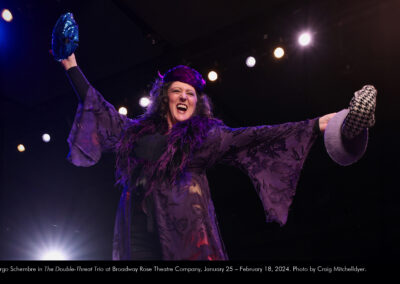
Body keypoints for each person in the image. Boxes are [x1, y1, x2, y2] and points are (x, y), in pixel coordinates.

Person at [53, 14, 376, 260]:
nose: (183, 97)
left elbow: (257, 136)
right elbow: (99, 108)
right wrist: (71, 64)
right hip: (137, 230)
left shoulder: (207, 137)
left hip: (185, 235)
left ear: (197, 102)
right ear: (164, 98)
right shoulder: (136, 132)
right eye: (176, 91)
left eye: (190, 93)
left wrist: (318, 123)